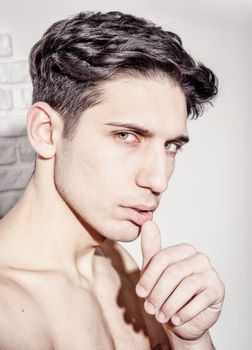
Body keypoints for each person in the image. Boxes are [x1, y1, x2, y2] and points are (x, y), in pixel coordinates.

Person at [0, 11, 225, 350]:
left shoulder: (123, 268)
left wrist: (190, 339)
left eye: (171, 146)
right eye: (126, 136)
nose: (158, 180)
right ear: (46, 132)